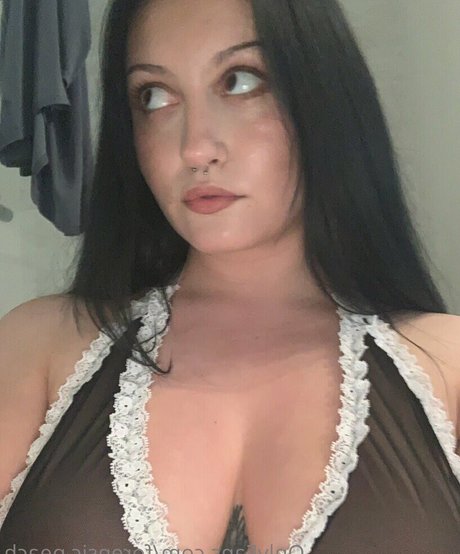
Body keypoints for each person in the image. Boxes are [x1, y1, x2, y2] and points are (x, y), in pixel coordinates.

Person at [0, 0, 459, 552]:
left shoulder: (447, 366)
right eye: (154, 96)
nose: (195, 148)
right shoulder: (38, 347)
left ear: (325, 95)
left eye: (240, 81)